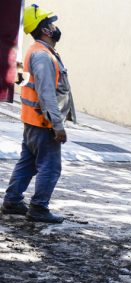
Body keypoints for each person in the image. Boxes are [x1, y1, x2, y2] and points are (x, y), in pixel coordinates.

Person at [1, 4, 75, 223]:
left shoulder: (41, 52)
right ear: (45, 30)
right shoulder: (42, 55)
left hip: (33, 121)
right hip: (43, 123)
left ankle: (13, 200)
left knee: (28, 162)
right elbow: (46, 93)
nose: (55, 27)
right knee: (50, 168)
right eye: (51, 24)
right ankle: (39, 208)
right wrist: (57, 126)